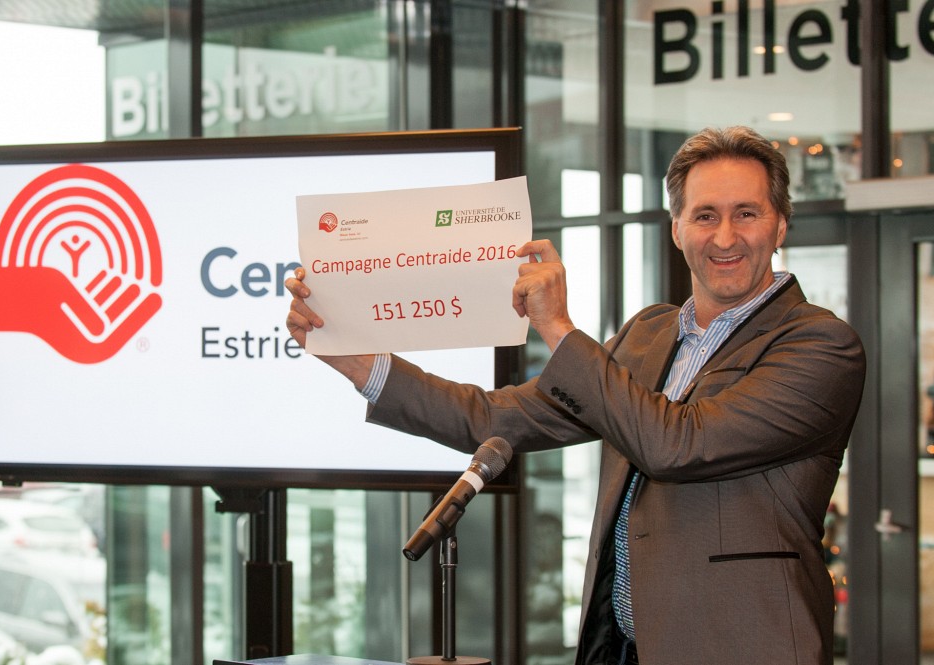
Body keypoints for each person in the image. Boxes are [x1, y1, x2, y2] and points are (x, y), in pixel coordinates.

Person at [286, 126, 866, 665]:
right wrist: (357, 361)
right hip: (623, 647)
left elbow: (678, 446)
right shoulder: (648, 333)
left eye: (747, 213)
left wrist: (558, 328)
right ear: (677, 229)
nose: (725, 236)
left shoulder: (820, 345)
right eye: (705, 215)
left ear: (780, 225)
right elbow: (495, 418)